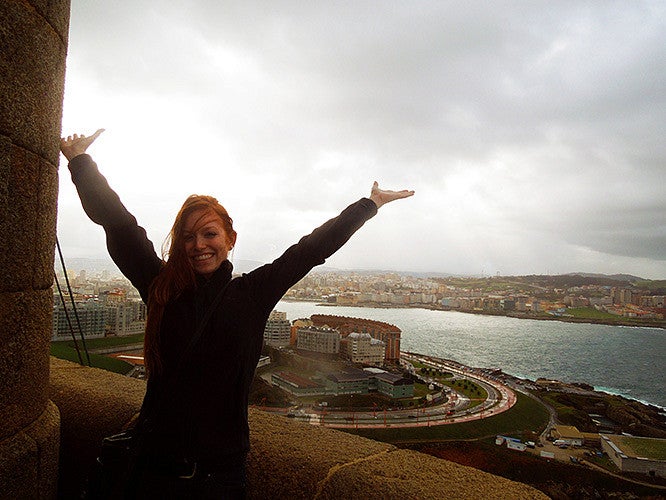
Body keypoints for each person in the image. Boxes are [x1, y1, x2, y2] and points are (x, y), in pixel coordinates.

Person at [60, 129, 414, 499]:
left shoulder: (252, 292)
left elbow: (311, 249)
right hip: (151, 469)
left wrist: (370, 204)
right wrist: (81, 163)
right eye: (188, 237)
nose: (198, 246)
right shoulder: (160, 285)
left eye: (209, 234)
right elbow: (120, 224)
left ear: (230, 238)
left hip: (220, 476)